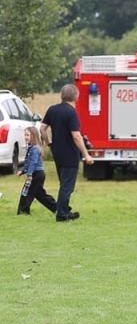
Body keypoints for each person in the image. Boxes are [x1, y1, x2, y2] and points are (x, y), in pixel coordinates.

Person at [40, 84, 93, 222]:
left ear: (61, 95)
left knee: (64, 183)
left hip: (57, 152)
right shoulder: (71, 112)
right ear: (76, 96)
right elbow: (76, 136)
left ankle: (65, 209)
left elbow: (42, 129)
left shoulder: (52, 110)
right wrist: (86, 154)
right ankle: (62, 215)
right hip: (70, 154)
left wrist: (49, 143)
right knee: (67, 185)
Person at [15, 126, 57, 216]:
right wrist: (22, 171)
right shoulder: (31, 148)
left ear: (33, 136)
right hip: (37, 174)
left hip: (36, 174)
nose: (25, 137)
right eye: (25, 135)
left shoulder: (34, 149)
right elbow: (28, 163)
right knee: (40, 195)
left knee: (26, 192)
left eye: (27, 135)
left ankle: (23, 211)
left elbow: (33, 163)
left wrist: (29, 175)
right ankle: (58, 208)